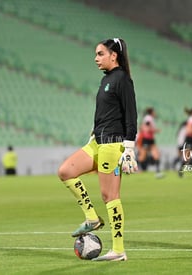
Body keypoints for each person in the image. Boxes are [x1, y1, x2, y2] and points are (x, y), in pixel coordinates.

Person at [57, 38, 137, 261]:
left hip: (113, 144)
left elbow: (131, 116)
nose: (96, 58)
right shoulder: (106, 80)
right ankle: (92, 218)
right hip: (97, 141)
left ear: (114, 55)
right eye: (96, 54)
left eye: (100, 54)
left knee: (109, 195)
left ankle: (118, 250)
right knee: (66, 171)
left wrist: (129, 149)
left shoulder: (122, 79)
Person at [137, 107, 163, 178]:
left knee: (156, 154)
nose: (155, 113)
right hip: (146, 139)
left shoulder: (149, 118)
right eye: (154, 112)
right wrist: (156, 130)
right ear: (151, 112)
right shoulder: (148, 118)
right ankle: (138, 168)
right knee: (142, 156)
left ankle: (158, 171)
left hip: (150, 140)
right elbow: (146, 128)